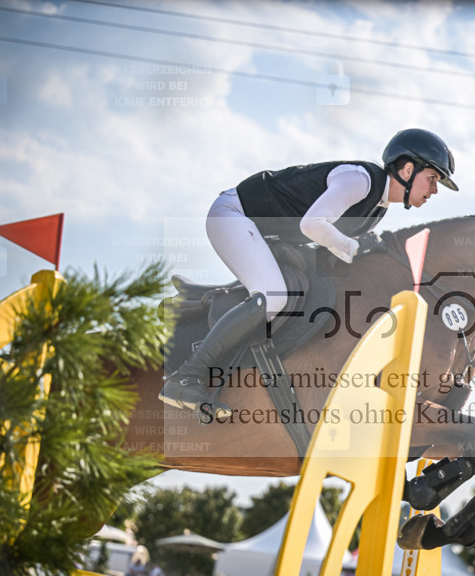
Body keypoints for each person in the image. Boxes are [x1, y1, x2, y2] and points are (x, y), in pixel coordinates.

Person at [159, 128, 458, 412]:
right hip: (235, 216)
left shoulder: (377, 209)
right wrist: (355, 247)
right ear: (407, 170)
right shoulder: (361, 180)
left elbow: (331, 248)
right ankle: (186, 377)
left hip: (264, 233)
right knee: (274, 297)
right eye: (432, 178)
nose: (433, 190)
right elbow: (312, 225)